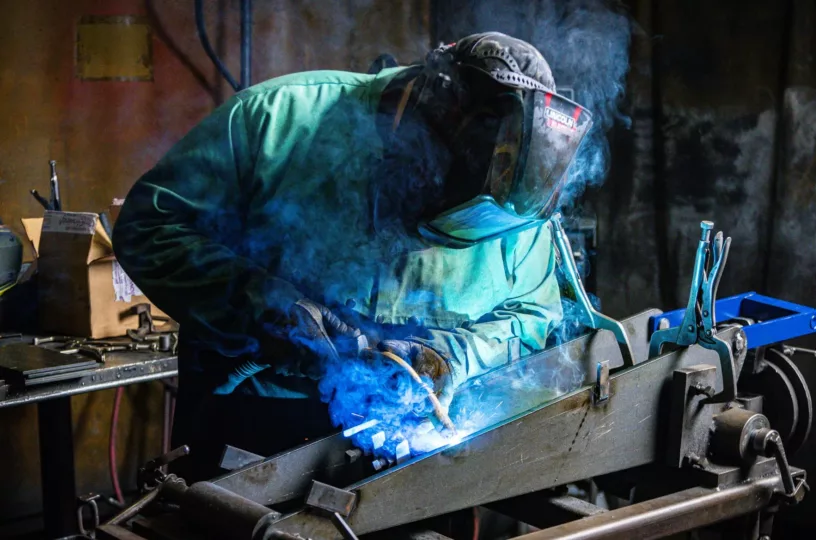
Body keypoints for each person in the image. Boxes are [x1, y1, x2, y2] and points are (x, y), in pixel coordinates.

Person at [113, 32, 593, 481]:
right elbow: (149, 226)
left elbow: (531, 310)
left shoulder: (516, 210)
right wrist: (262, 308)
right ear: (419, 135)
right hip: (252, 429)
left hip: (407, 452)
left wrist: (450, 357)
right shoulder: (279, 121)